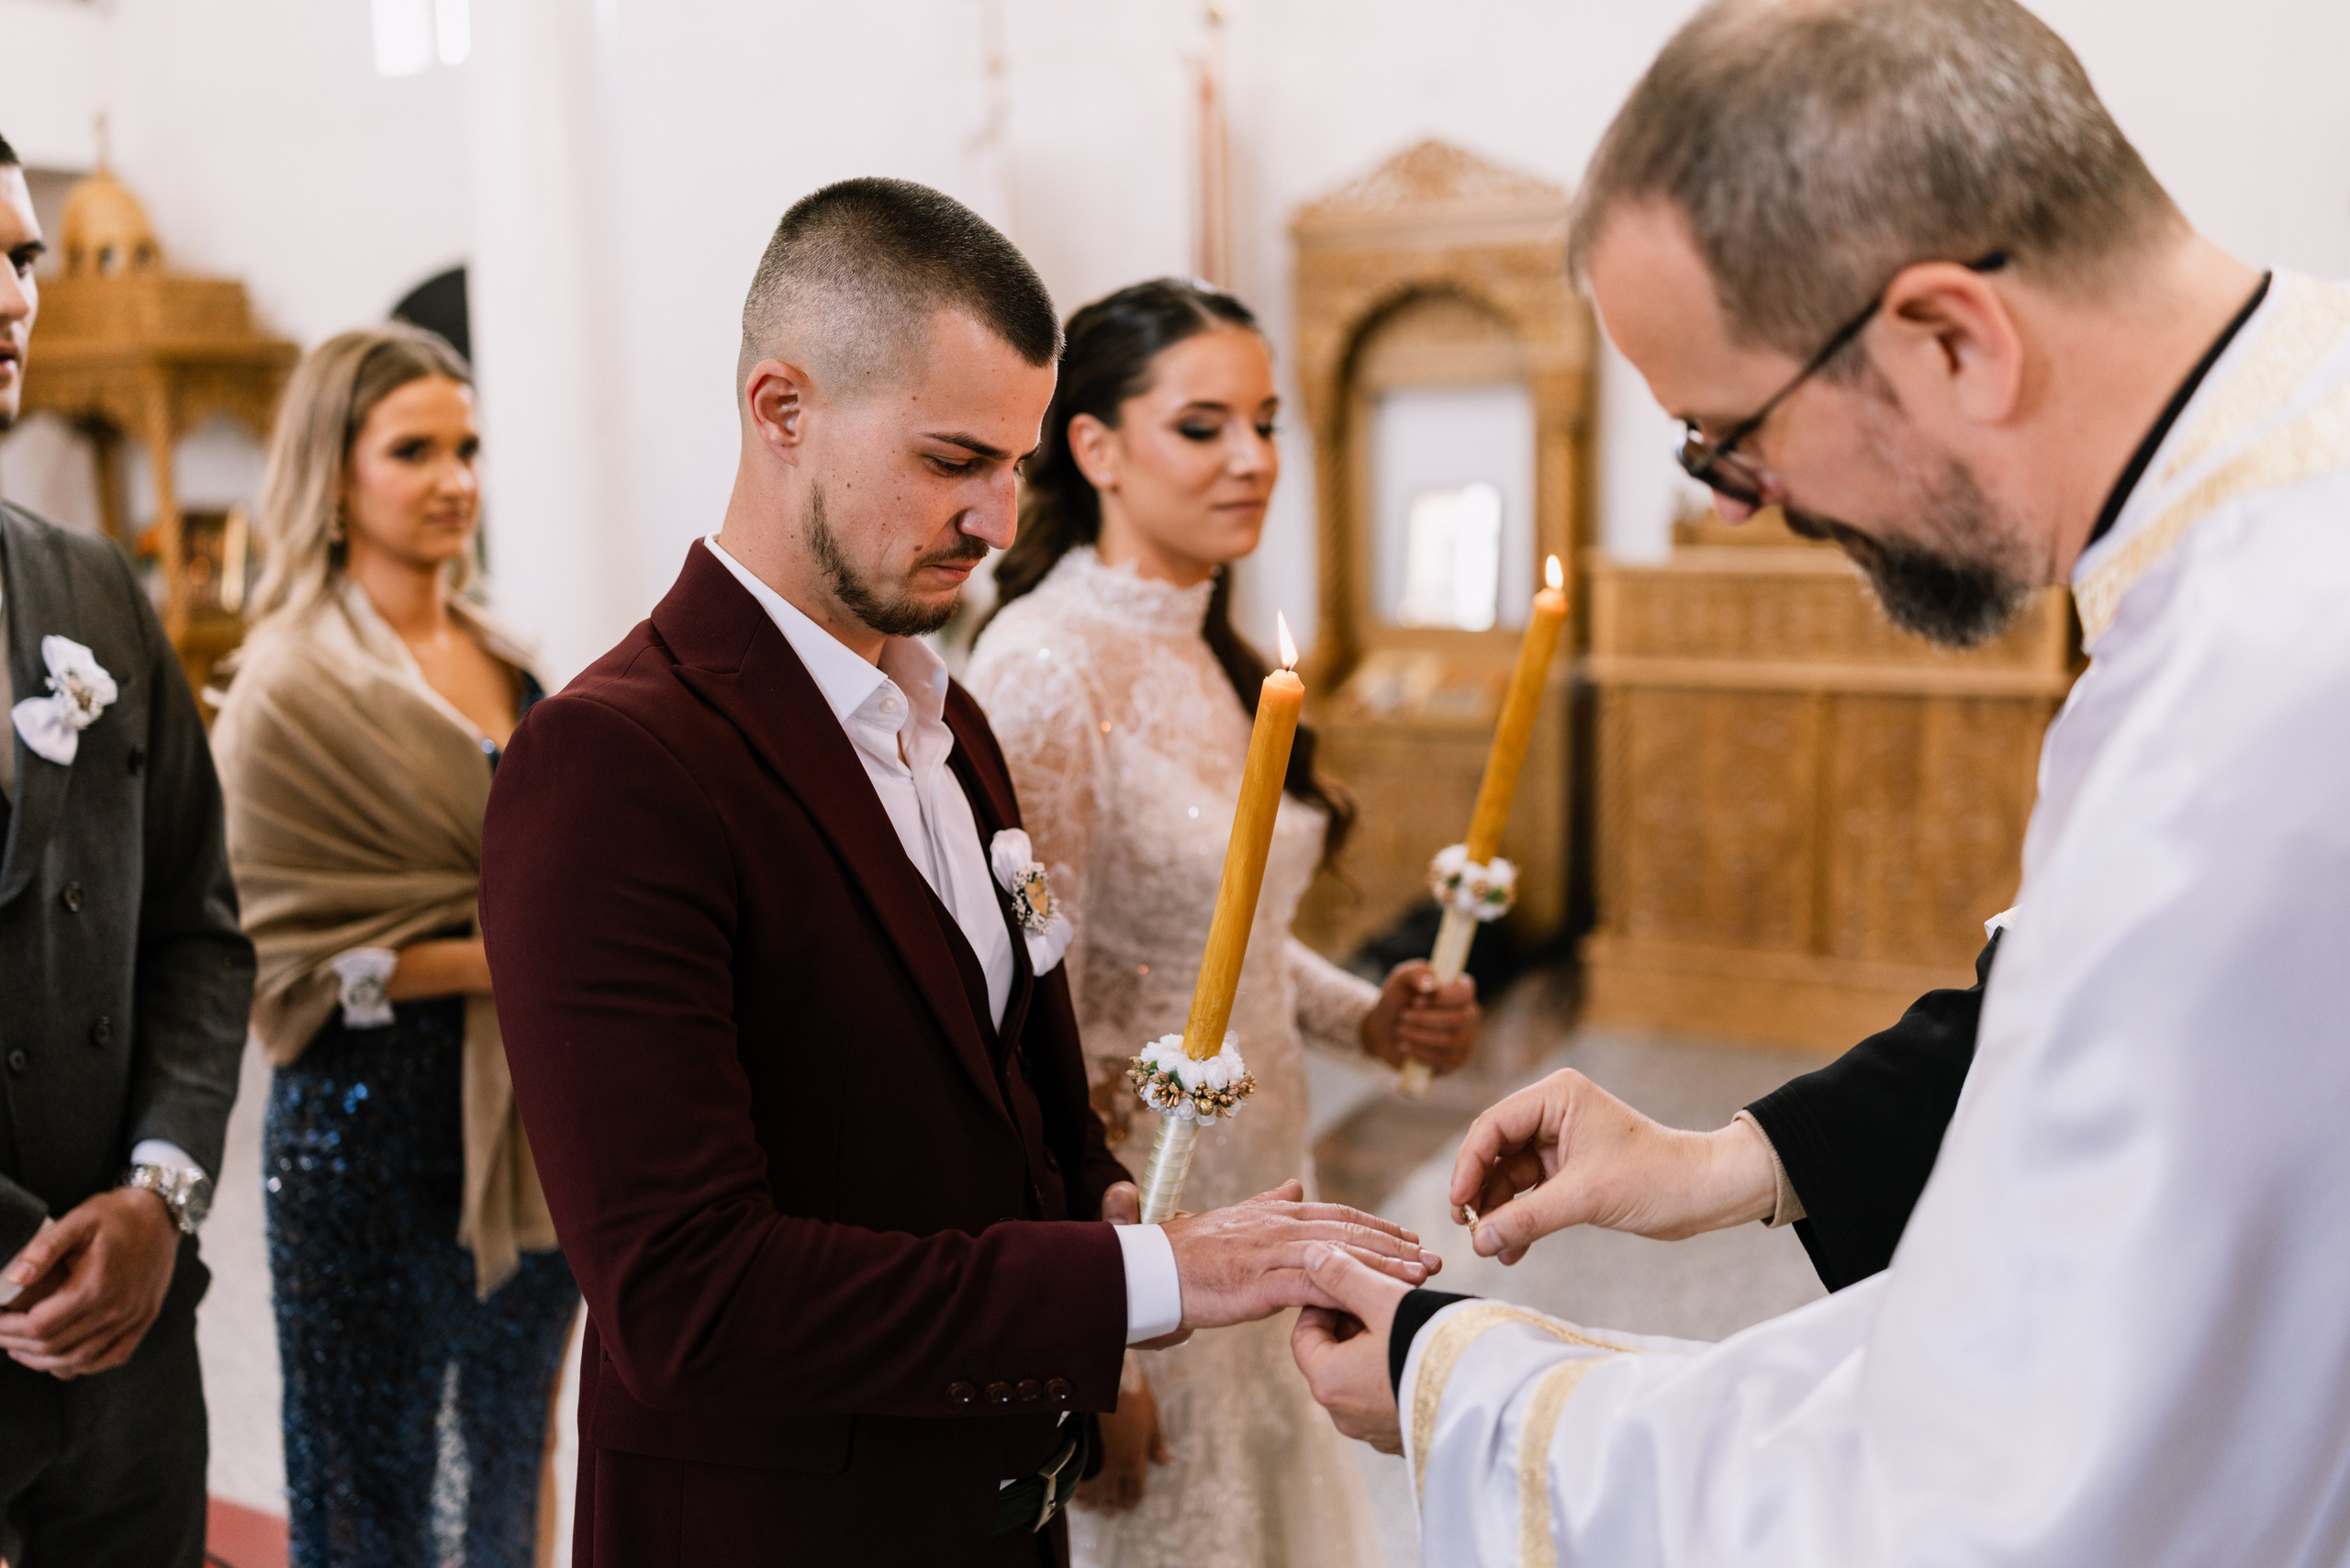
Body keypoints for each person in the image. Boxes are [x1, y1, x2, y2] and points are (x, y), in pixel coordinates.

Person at [1292, 2, 2350, 1562]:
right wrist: (1742, 1159)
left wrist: (1465, 1378)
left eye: (1729, 443)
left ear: (1947, 338)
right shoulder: (2270, 498)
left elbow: (1999, 1489)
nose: (1734, 513)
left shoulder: (2247, 703)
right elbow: (2064, 1020)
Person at [478, 178, 1439, 1568]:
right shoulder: (613, 763)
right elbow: (688, 1299)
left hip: (995, 1501)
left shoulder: (951, 721)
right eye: (950, 461)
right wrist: (1150, 1279)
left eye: (1014, 467)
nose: (996, 520)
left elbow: (1007, 1083)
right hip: (785, 1524)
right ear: (781, 409)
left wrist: (1101, 1198)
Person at [964, 277, 1480, 1566]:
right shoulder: (1045, 664)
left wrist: (1372, 1012)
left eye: (1267, 423)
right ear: (1095, 448)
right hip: (1148, 1203)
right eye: (1204, 427)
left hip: (1264, 1173)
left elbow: (1221, 941)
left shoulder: (1211, 646)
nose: (1253, 460)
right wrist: (1093, 1338)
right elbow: (1027, 1016)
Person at [209, 326, 578, 1568]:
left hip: (526, 1131)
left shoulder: (509, 651)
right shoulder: (287, 687)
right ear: (335, 470)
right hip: (363, 1141)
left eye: (467, 447)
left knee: (511, 1444)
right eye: (413, 449)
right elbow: (279, 964)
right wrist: (507, 955)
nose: (453, 478)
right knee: (371, 1471)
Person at [0, 129, 255, 1568]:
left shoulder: (89, 585)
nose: (15, 298)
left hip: (127, 1337)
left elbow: (196, 931)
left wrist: (157, 1198)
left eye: (23, 258)